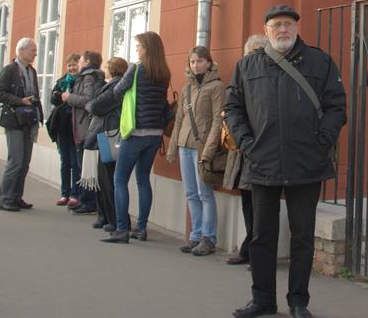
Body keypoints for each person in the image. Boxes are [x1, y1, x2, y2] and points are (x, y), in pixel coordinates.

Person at [224, 4, 347, 318]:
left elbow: (337, 107)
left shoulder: (320, 62)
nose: (283, 30)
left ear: (296, 28)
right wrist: (247, 144)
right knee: (261, 236)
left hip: (307, 162)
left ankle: (298, 301)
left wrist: (321, 142)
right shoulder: (247, 66)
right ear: (266, 31)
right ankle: (262, 300)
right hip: (261, 161)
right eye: (277, 25)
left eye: (288, 25)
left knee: (302, 236)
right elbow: (233, 108)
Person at [100, 32, 172, 244]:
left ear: (147, 48)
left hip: (135, 131)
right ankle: (141, 228)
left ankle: (122, 229)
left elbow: (118, 91)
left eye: (139, 46)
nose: (137, 50)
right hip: (155, 133)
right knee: (143, 180)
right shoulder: (163, 72)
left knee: (120, 179)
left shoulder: (137, 68)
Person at [166, 45, 225, 257]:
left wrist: (208, 151)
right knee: (191, 193)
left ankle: (209, 238)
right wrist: (173, 147)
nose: (195, 64)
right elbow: (179, 119)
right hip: (184, 145)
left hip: (202, 147)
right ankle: (196, 235)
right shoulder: (187, 88)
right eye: (192, 61)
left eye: (200, 61)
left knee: (204, 193)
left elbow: (219, 120)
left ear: (208, 63)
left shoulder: (216, 87)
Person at [222, 33, 268, 266]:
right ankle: (248, 249)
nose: (254, 58)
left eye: (259, 52)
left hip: (259, 151)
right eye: (251, 53)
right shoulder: (241, 77)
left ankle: (254, 251)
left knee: (261, 208)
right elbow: (233, 108)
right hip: (242, 150)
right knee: (247, 203)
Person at [0, 37, 44, 212]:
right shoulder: (9, 70)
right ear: (21, 51)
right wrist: (19, 101)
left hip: (29, 120)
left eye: (35, 51)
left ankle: (16, 196)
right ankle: (5, 198)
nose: (35, 53)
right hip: (13, 120)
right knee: (15, 160)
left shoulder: (32, 71)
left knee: (25, 161)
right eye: (32, 50)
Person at [86, 56, 127, 232]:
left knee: (107, 179)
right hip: (106, 133)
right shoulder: (114, 84)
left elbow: (95, 106)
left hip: (109, 134)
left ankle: (113, 219)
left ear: (112, 69)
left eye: (107, 67)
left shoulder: (116, 86)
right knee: (104, 178)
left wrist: (91, 104)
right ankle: (105, 216)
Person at [62, 50, 104, 216]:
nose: (78, 63)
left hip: (86, 126)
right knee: (83, 165)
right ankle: (85, 199)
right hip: (83, 125)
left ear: (87, 62)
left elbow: (88, 101)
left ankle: (89, 202)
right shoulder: (88, 76)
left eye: (80, 60)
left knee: (85, 165)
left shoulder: (89, 77)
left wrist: (68, 97)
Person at [46, 53, 80, 206]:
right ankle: (64, 193)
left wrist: (66, 97)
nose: (72, 68)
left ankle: (75, 194)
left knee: (75, 162)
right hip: (62, 127)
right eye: (69, 65)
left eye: (74, 64)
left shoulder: (81, 82)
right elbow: (53, 98)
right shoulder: (62, 81)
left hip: (76, 127)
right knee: (65, 162)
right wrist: (60, 95)